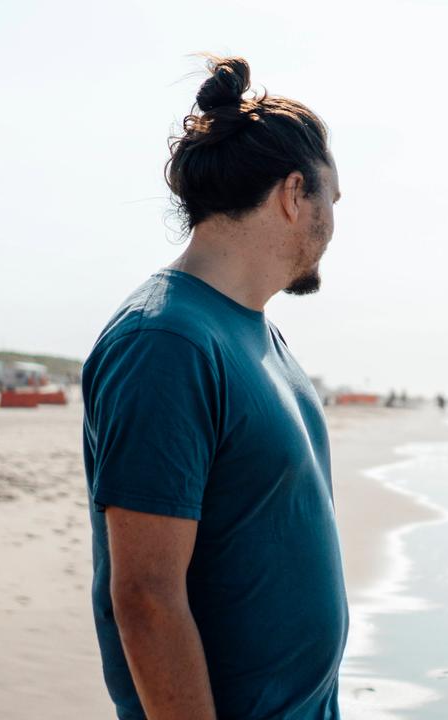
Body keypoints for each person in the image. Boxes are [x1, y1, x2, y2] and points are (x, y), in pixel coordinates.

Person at [80, 55, 344, 720]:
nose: (332, 227)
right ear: (292, 195)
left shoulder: (255, 333)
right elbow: (145, 597)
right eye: (330, 202)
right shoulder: (167, 342)